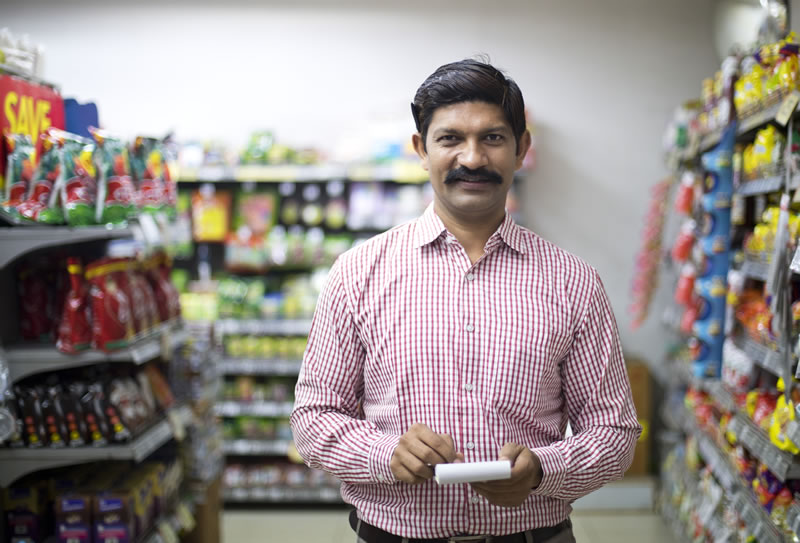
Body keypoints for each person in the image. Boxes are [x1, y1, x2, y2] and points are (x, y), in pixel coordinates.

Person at [291, 58, 642, 543]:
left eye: (493, 138)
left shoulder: (573, 281)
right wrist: (385, 453)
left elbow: (614, 433)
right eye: (450, 138)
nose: (472, 158)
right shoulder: (358, 274)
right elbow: (314, 419)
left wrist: (542, 468)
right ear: (421, 149)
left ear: (521, 149)